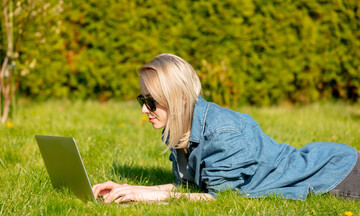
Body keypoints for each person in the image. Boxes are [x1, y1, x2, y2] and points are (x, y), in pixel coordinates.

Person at [92, 53, 360, 203]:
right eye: (143, 100)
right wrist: (127, 188)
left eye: (151, 102)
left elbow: (217, 199)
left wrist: (144, 197)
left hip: (335, 174)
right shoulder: (179, 128)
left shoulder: (223, 134)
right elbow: (189, 187)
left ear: (180, 99)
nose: (143, 110)